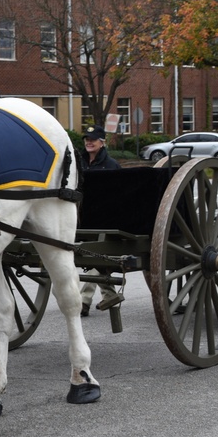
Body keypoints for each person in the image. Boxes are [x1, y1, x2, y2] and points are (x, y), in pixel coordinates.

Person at [77, 125, 121, 316]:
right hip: (83, 216)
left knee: (93, 254)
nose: (89, 141)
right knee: (92, 255)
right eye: (87, 138)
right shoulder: (80, 162)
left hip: (104, 218)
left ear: (102, 142)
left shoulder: (111, 165)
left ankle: (84, 300)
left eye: (93, 139)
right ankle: (110, 294)